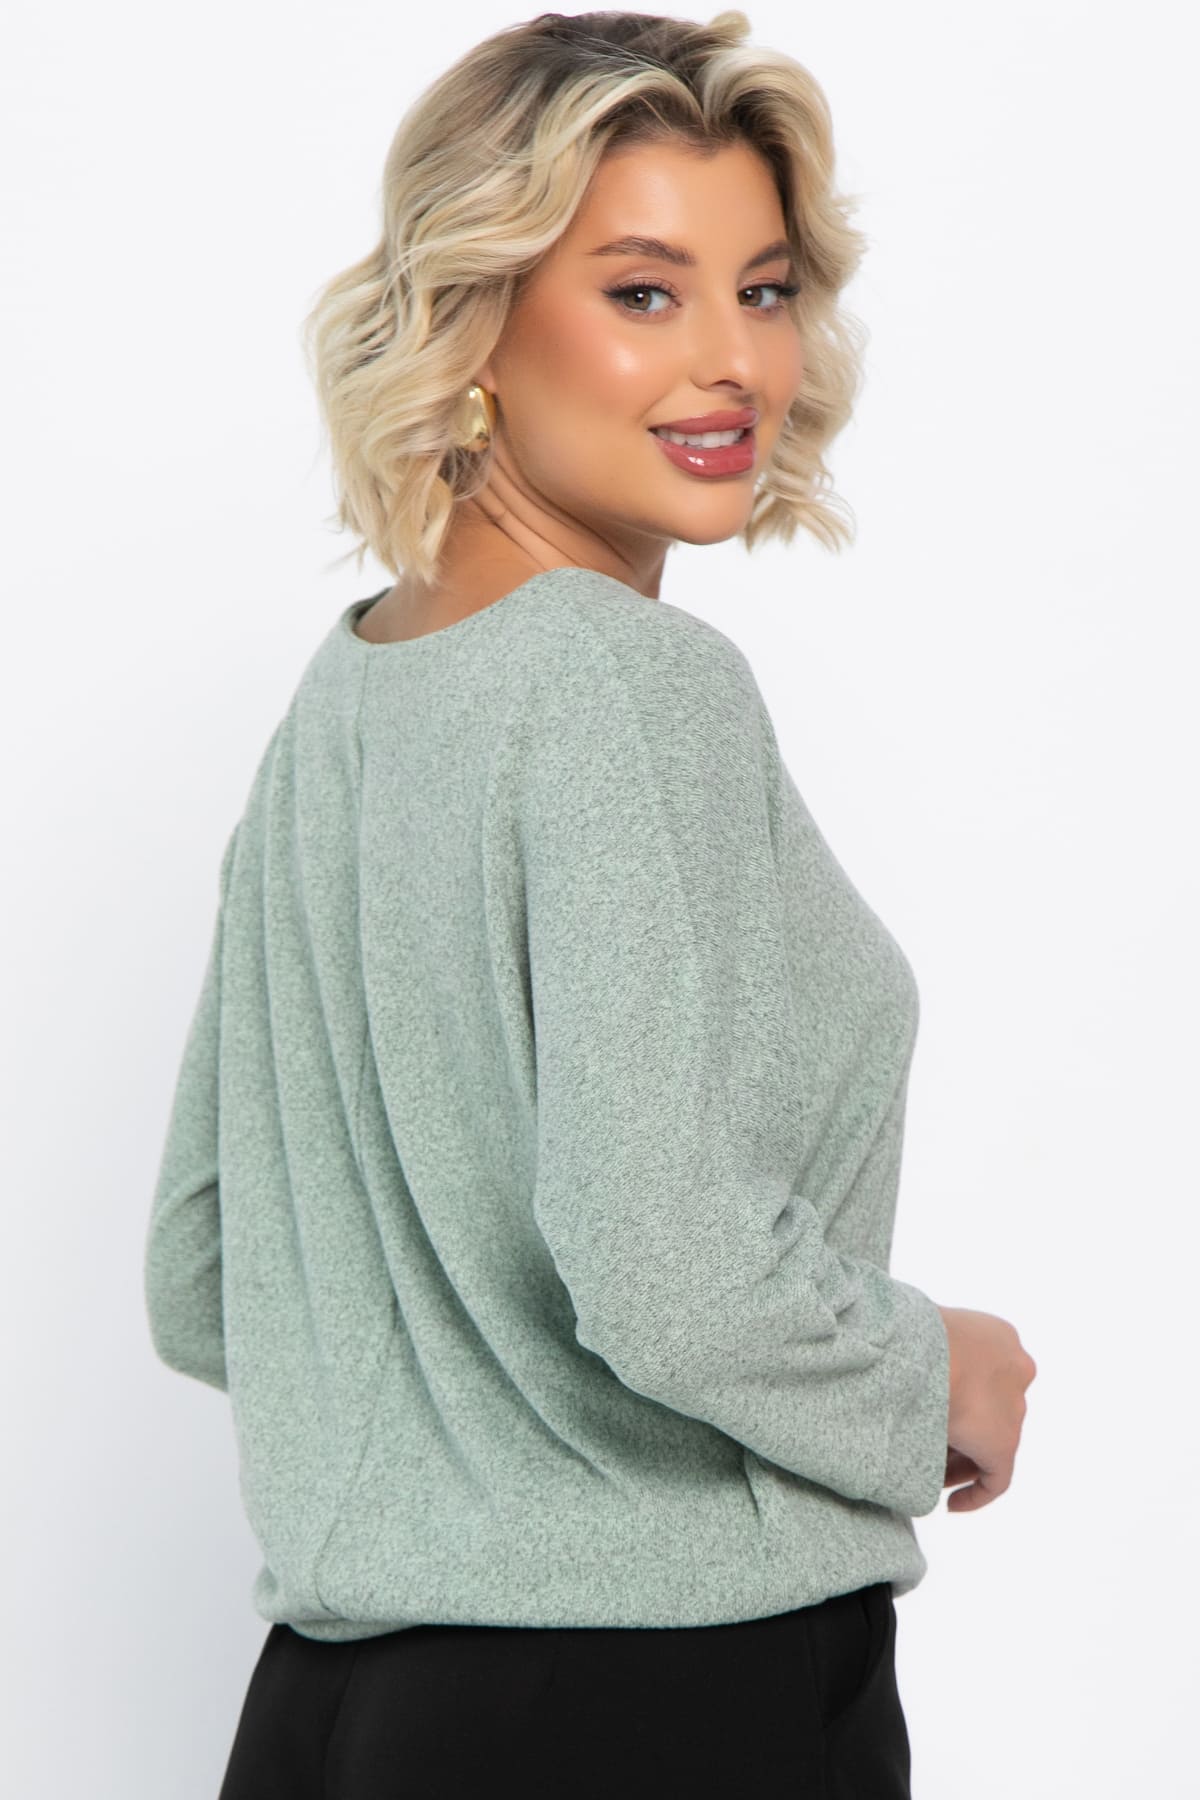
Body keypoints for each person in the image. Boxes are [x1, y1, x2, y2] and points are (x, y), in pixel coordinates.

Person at [143, 9, 1037, 1796]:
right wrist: (921, 1370)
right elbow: (663, 1267)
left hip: (324, 1717)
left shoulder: (347, 701)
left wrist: (451, 1457)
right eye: (642, 291)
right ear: (473, 318)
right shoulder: (628, 686)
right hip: (659, 1694)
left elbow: (206, 1275)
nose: (732, 363)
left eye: (763, 291)